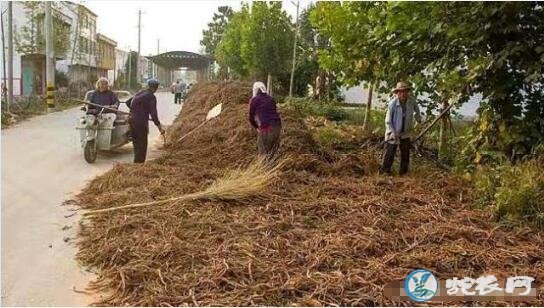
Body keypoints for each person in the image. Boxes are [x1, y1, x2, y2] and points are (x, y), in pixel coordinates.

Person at [380, 81, 422, 175]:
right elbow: (388, 120)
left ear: (408, 92)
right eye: (401, 92)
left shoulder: (411, 101)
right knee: (390, 153)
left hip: (405, 132)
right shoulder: (393, 104)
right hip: (393, 131)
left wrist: (418, 119)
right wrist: (392, 132)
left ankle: (403, 174)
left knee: (405, 154)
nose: (403, 94)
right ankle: (385, 172)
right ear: (397, 93)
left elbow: (417, 110)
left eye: (405, 91)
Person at [129, 79, 165, 163]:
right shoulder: (151, 97)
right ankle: (139, 165)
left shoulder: (140, 93)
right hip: (141, 122)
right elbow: (154, 114)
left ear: (148, 86)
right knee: (142, 143)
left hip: (132, 120)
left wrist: (136, 111)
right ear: (156, 88)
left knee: (136, 143)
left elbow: (128, 102)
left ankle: (136, 162)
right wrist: (160, 128)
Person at [248, 81, 282, 158]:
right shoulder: (271, 99)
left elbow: (251, 117)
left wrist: (256, 127)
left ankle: (265, 169)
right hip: (277, 127)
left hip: (266, 128)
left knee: (263, 153)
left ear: (255, 90)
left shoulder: (255, 100)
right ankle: (275, 169)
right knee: (273, 153)